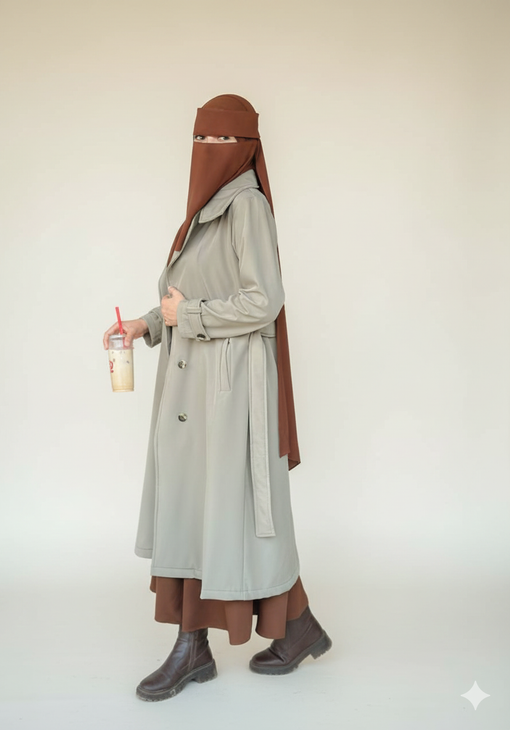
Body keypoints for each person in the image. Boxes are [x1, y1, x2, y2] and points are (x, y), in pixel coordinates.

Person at [103, 94, 331, 702]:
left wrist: (190, 317)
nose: (209, 150)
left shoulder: (246, 205)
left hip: (230, 389)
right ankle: (291, 629)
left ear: (246, 148)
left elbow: (264, 300)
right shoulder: (206, 208)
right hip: (194, 381)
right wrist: (148, 323)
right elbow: (186, 293)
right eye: (202, 139)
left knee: (225, 510)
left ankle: (195, 646)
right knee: (198, 505)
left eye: (223, 141)